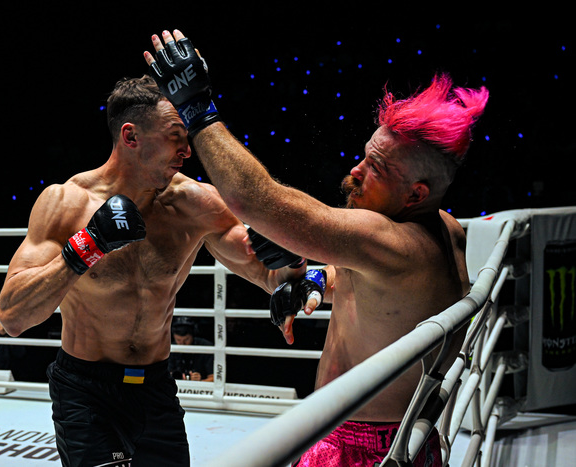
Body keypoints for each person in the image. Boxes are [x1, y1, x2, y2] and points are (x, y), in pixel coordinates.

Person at [145, 30, 489, 466]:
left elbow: (256, 201)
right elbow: (385, 296)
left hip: (364, 444)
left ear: (415, 194)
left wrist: (197, 109)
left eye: (376, 167)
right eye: (365, 155)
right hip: (395, 435)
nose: (356, 170)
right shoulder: (445, 228)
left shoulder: (390, 240)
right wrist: (313, 279)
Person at [0, 75, 305, 466]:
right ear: (131, 136)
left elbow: (269, 276)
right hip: (86, 391)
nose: (187, 151)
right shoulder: (66, 204)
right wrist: (87, 247)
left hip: (156, 388)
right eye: (175, 136)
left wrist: (290, 260)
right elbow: (13, 316)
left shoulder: (196, 205)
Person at [168, 317, 213, 381]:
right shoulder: (171, 348)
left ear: (193, 336)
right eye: (178, 340)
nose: (182, 343)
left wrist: (200, 382)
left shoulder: (205, 347)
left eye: (186, 340)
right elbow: (165, 375)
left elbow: (214, 377)